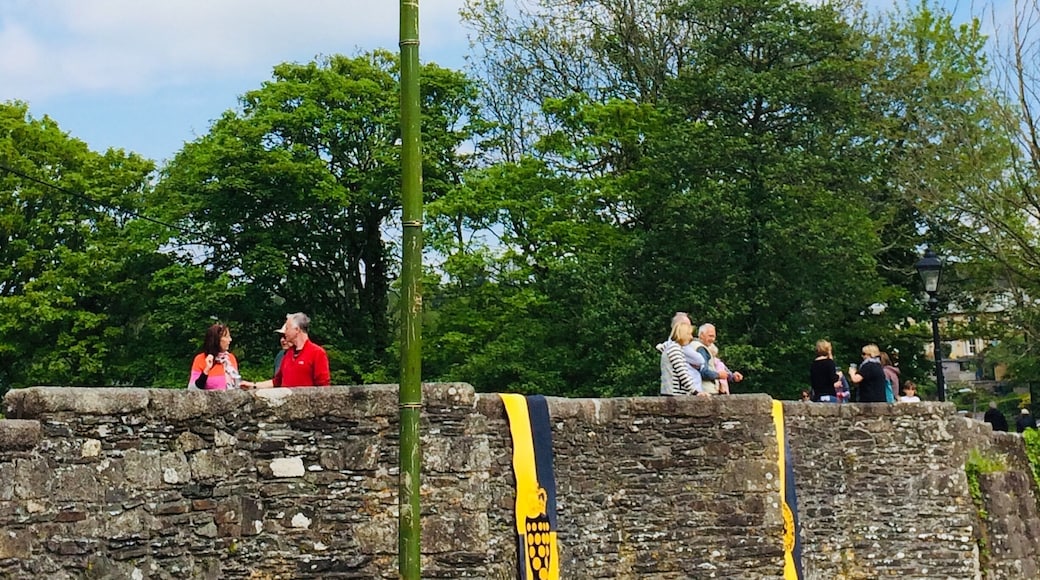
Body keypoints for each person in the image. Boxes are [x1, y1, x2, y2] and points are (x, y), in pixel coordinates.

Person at [255, 312, 331, 388]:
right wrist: (253, 385)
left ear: (297, 330)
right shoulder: (288, 353)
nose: (285, 332)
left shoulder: (317, 353)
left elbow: (323, 387)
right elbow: (277, 381)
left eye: (287, 328)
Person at [188, 323, 254, 391]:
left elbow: (237, 385)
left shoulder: (230, 358)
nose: (230, 339)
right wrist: (206, 371)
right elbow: (192, 390)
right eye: (226, 337)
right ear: (216, 340)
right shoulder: (200, 359)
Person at [657, 312, 708, 397]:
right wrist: (696, 392)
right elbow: (682, 373)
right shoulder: (675, 349)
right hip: (674, 394)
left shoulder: (673, 348)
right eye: (689, 334)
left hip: (672, 393)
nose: (691, 337)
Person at [692, 323, 743, 395]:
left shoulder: (695, 346)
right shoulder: (701, 349)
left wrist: (731, 376)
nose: (712, 339)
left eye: (714, 337)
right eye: (710, 336)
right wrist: (718, 375)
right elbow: (704, 372)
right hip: (706, 390)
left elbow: (716, 366)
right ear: (701, 335)